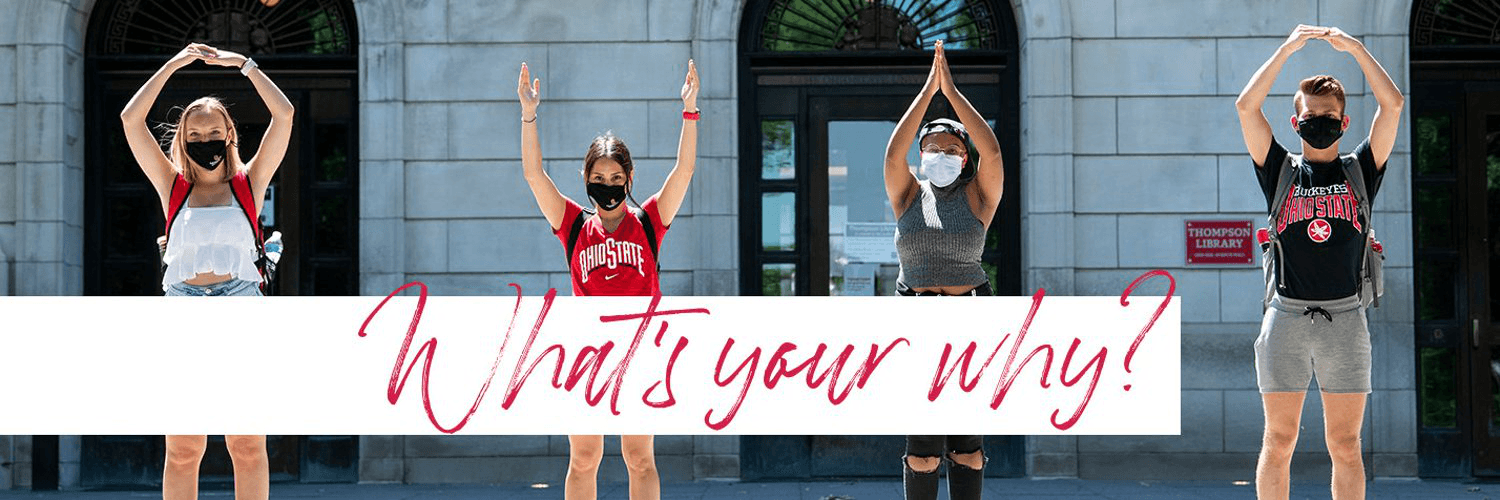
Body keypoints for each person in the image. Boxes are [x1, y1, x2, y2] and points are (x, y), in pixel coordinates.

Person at [515, 59, 699, 499]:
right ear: (586, 179)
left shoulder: (649, 222)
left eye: (616, 177)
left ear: (629, 178)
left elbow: (684, 172)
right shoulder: (573, 224)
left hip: (639, 352)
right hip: (586, 355)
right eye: (599, 178)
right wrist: (528, 113)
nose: (608, 185)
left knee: (639, 458)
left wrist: (690, 111)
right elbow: (533, 175)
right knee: (583, 458)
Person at [1235, 25, 1402, 500]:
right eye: (1311, 115)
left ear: (1343, 123)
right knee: (1279, 439)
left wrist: (1357, 49)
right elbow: (1246, 106)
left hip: (1346, 319)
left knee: (1345, 444)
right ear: (1297, 122)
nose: (1320, 121)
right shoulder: (1280, 169)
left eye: (1329, 115)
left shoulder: (1360, 170)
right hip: (1285, 317)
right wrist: (1287, 51)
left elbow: (1393, 106)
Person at [120, 42, 294, 500]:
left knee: (246, 444)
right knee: (182, 448)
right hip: (182, 313)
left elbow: (285, 115)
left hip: (241, 308)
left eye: (212, 133)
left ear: (230, 135)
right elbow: (130, 121)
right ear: (181, 142)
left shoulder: (249, 184)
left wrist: (244, 65)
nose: (204, 143)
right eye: (193, 137)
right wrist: (174, 64)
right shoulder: (171, 187)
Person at [884, 40, 1003, 500]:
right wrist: (927, 90)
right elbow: (894, 154)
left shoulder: (977, 195)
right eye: (931, 148)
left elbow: (991, 153)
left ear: (963, 156)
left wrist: (951, 92)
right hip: (916, 316)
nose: (939, 154)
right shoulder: (908, 194)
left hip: (970, 314)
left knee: (967, 446)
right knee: (923, 450)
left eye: (949, 148)